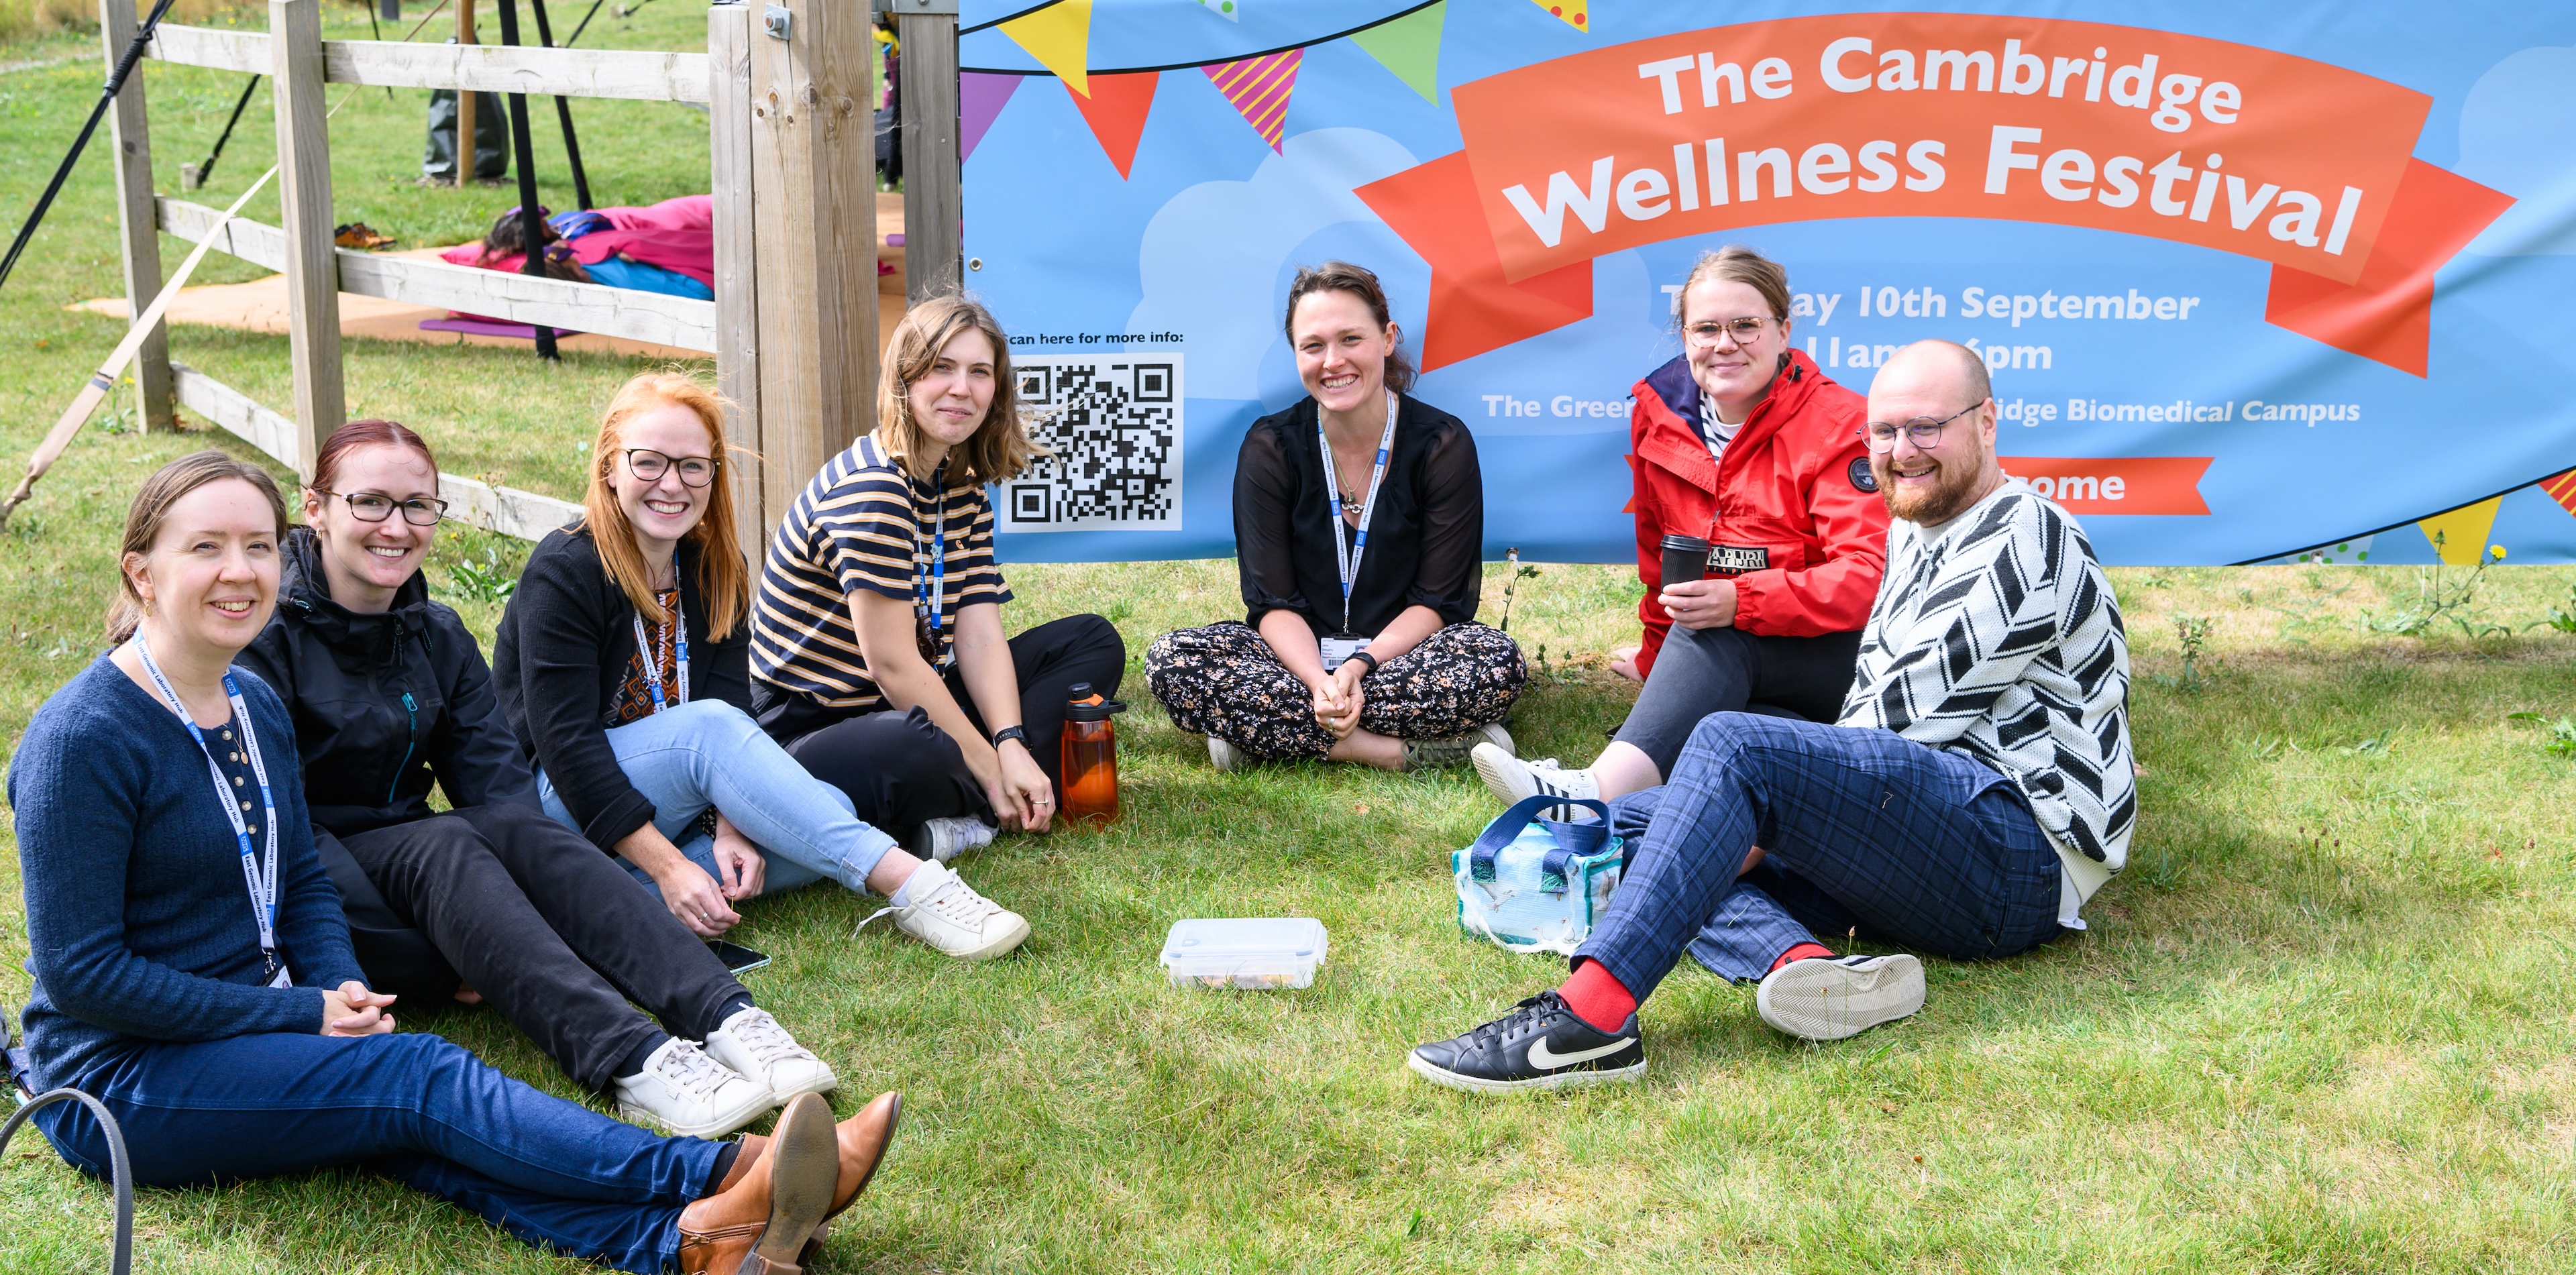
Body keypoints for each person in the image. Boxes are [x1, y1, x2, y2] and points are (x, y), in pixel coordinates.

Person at [8, 450, 902, 1273]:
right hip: (125, 1076)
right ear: (141, 571)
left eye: (255, 545)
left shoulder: (249, 700)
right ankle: (726, 1172)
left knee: (410, 1132)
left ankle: (686, 1246)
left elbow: (304, 879)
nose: (239, 570)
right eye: (205, 547)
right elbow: (86, 980)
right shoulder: (83, 738)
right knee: (419, 1081)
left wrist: (339, 988)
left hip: (263, 1014)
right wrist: (302, 1012)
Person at [1407, 341, 2134, 1093]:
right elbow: (1873, 738)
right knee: (1633, 821)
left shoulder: (2023, 528)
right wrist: (1747, 826)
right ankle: (1808, 968)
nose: (1900, 451)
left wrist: (1763, 821)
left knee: (1727, 757)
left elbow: (1893, 727)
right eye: (1883, 432)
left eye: (1926, 428)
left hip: (2017, 859)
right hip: (1926, 834)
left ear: (1987, 422)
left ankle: (1589, 1022)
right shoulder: (1916, 533)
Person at [236, 418, 833, 1138]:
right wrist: (466, 932)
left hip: (425, 886)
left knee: (514, 828)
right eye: (370, 503)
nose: (396, 526)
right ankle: (637, 1060)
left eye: (418, 506)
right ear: (316, 507)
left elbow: (500, 791)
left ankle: (729, 1015)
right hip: (317, 896)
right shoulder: (262, 639)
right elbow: (276, 834)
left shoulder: (435, 630)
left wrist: (502, 918)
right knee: (446, 847)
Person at [492, 372, 1032, 962]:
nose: (672, 484)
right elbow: (568, 749)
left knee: (821, 810)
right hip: (556, 807)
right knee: (713, 733)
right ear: (608, 469)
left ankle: (581, 917)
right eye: (648, 463)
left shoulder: (713, 565)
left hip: (673, 804)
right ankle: (913, 884)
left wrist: (732, 826)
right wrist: (673, 867)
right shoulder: (565, 568)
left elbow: (735, 705)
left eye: (693, 466)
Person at [1472, 246, 1886, 811]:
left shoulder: (1840, 422)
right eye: (1706, 328)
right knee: (1729, 736)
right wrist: (1656, 662)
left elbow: (1868, 577)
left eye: (1746, 325)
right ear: (1685, 338)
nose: (1725, 343)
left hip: (1836, 656)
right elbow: (1659, 560)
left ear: (1784, 330)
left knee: (1719, 629)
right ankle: (1629, 814)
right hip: (1730, 655)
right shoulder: (1659, 411)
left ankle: (1589, 791)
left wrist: (1741, 600)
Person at [747, 294, 1127, 860]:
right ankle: (984, 802)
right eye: (942, 368)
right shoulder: (870, 491)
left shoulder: (959, 485)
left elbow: (978, 635)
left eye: (980, 372)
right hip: (817, 726)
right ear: (905, 379)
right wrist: (991, 766)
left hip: (910, 697)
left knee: (1092, 641)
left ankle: (960, 815)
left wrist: (1010, 742)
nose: (962, 389)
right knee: (911, 744)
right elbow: (893, 663)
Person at [1145, 261, 1526, 772]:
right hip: (1295, 663)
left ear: (1388, 338)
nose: (1333, 361)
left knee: (1494, 661)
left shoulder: (1441, 443)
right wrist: (1319, 682)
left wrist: (1358, 667)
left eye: (1351, 339)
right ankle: (1396, 752)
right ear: (1296, 354)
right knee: (1174, 659)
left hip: (1400, 659)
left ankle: (1263, 737)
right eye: (1313, 346)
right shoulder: (1270, 447)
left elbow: (1439, 600)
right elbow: (1271, 602)